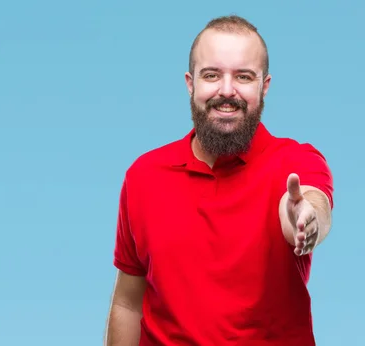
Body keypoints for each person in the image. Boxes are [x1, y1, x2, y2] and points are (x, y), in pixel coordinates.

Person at [103, 15, 334, 346]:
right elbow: (127, 302)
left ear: (264, 86)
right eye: (212, 75)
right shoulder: (143, 176)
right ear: (190, 82)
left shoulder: (295, 161)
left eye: (243, 76)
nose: (227, 91)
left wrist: (306, 218)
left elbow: (311, 202)